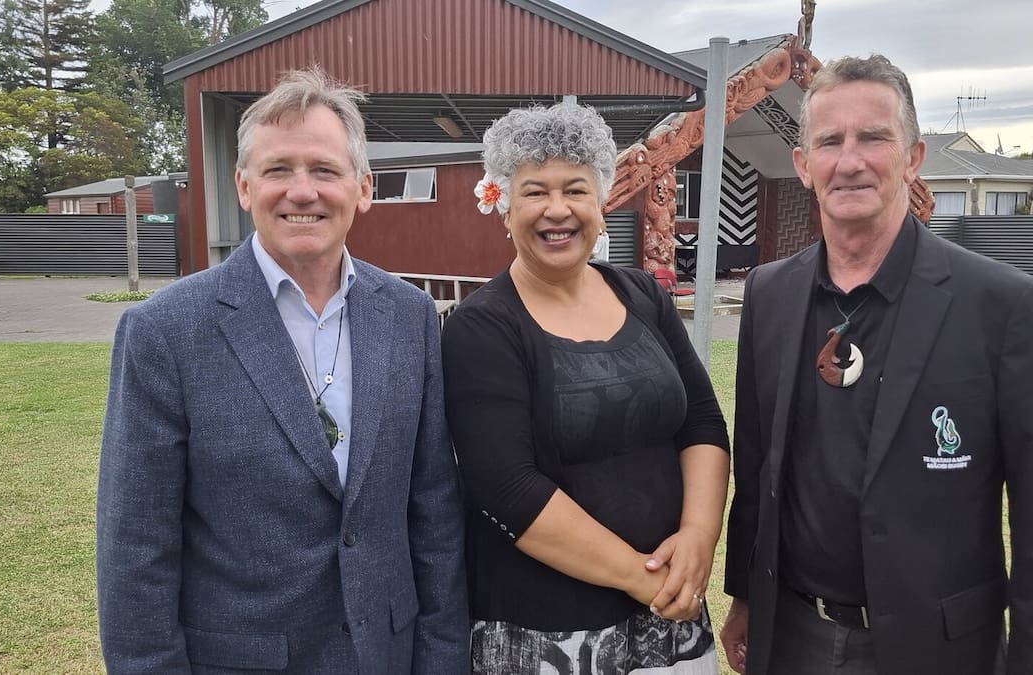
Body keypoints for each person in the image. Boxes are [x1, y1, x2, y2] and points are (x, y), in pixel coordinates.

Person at [96, 68, 470, 673]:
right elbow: (135, 546)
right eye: (278, 170)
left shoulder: (409, 316)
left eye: (324, 170)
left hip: (387, 653)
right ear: (244, 187)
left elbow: (433, 510)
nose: (302, 191)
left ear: (363, 189)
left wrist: (443, 657)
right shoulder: (166, 331)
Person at [720, 54, 1033, 675]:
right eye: (830, 141)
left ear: (913, 158)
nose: (851, 160)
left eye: (874, 137)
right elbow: (756, 468)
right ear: (804, 166)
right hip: (794, 638)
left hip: (937, 647)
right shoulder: (769, 294)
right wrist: (745, 597)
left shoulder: (1001, 304)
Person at [442, 102, 731, 673]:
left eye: (575, 189)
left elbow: (701, 421)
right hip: (548, 633)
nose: (557, 210)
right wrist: (642, 578)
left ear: (601, 204)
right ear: (503, 206)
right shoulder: (483, 326)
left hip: (670, 618)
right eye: (534, 191)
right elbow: (506, 487)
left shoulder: (643, 295)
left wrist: (698, 539)